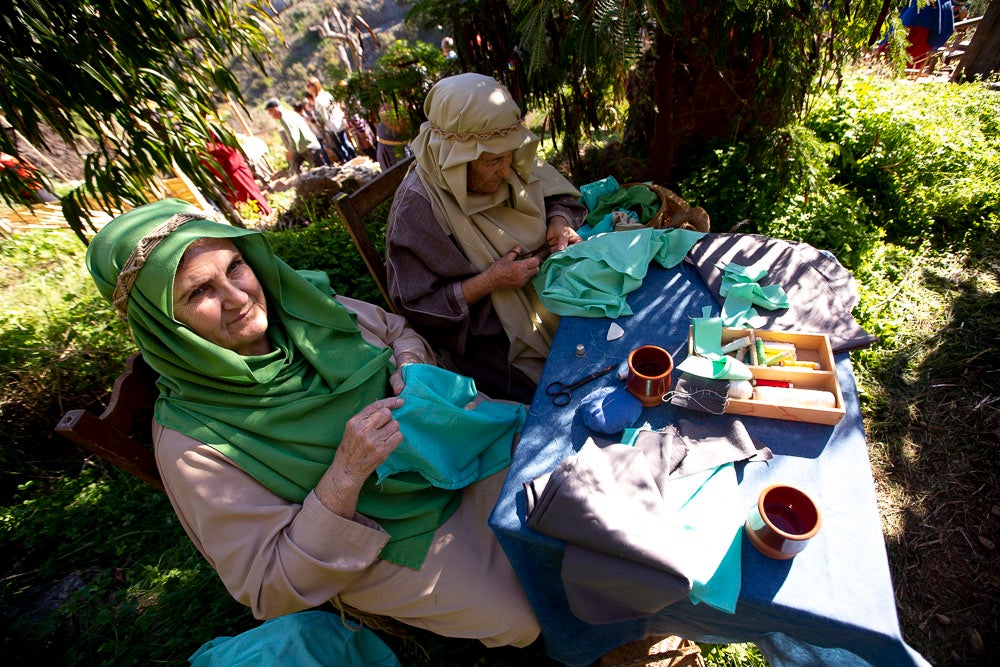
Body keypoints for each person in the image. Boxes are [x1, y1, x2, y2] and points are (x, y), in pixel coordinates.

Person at [85, 198, 541, 648]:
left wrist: (409, 362)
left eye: (235, 267)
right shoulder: (192, 444)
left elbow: (395, 330)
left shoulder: (306, 307)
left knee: (562, 493)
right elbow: (268, 584)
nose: (237, 297)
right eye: (199, 291)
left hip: (451, 452)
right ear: (160, 321)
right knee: (527, 613)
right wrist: (345, 474)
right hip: (388, 541)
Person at [384, 73, 588, 404]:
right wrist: (489, 282)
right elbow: (417, 307)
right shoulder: (417, 210)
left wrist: (559, 221)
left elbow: (556, 194)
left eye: (510, 155)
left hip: (555, 292)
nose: (507, 171)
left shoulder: (505, 154)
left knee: (605, 345)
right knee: (559, 395)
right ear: (454, 160)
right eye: (493, 161)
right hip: (490, 337)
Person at [264, 97, 326, 173]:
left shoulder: (285, 118)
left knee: (322, 171)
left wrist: (291, 151)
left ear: (275, 109)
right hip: (302, 148)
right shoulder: (289, 114)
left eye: (270, 112)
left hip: (308, 147)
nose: (271, 115)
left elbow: (294, 135)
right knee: (295, 170)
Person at [306, 76, 357, 164]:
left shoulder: (319, 99)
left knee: (341, 144)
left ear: (314, 86)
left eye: (308, 85)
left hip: (331, 126)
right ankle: (354, 158)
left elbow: (323, 116)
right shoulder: (327, 94)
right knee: (344, 142)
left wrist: (321, 124)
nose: (307, 88)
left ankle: (352, 160)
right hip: (338, 122)